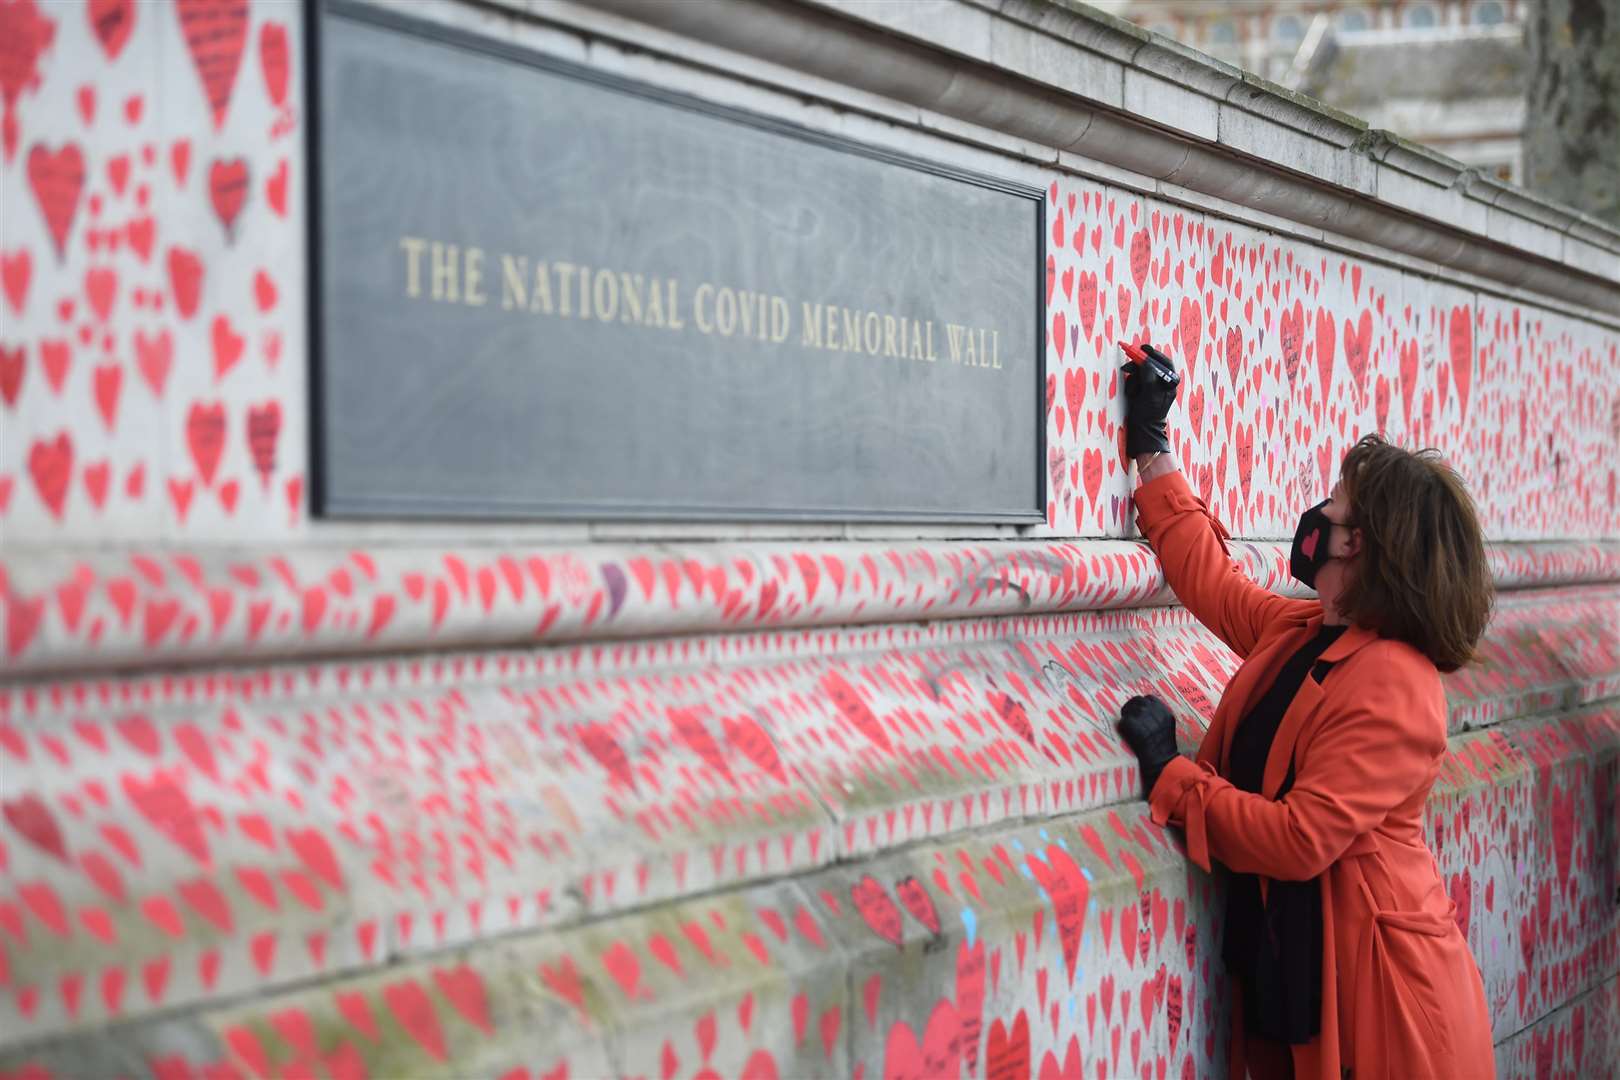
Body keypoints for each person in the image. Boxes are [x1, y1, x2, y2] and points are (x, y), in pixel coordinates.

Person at [1112, 342, 1497, 1080]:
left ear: (1360, 546)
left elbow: (1298, 839)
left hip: (1386, 1025)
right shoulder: (1308, 631)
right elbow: (1212, 581)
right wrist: (1152, 445)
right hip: (1304, 983)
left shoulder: (1397, 684)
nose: (1317, 515)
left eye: (1337, 507)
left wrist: (1173, 775)